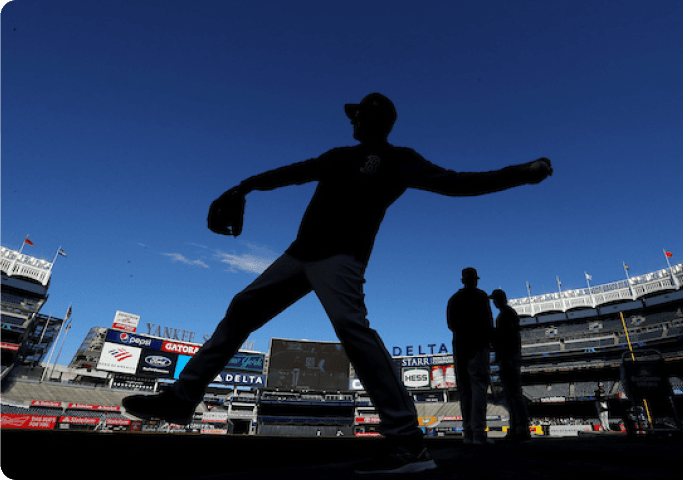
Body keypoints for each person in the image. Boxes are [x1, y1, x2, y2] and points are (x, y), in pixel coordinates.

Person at [123, 92, 553, 474]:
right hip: (300, 253)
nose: (353, 122)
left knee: (352, 329)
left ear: (375, 120)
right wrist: (246, 186)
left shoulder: (400, 159)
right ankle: (183, 398)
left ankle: (407, 440)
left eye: (359, 116)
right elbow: (292, 171)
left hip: (340, 258)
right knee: (242, 309)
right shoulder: (337, 156)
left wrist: (522, 172)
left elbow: (460, 184)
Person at [447, 267, 494, 445]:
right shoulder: (480, 296)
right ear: (475, 280)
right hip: (477, 347)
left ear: (462, 281)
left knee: (465, 390)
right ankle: (479, 434)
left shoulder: (454, 298)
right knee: (479, 388)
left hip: (460, 348)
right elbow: (488, 322)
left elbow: (451, 324)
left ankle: (467, 434)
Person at [489, 288, 531, 443]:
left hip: (509, 357)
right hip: (508, 357)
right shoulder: (505, 314)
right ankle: (515, 428)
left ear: (500, 299)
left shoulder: (507, 314)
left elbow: (508, 338)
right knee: (510, 395)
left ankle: (521, 429)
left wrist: (507, 357)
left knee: (514, 394)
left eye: (495, 299)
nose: (494, 302)